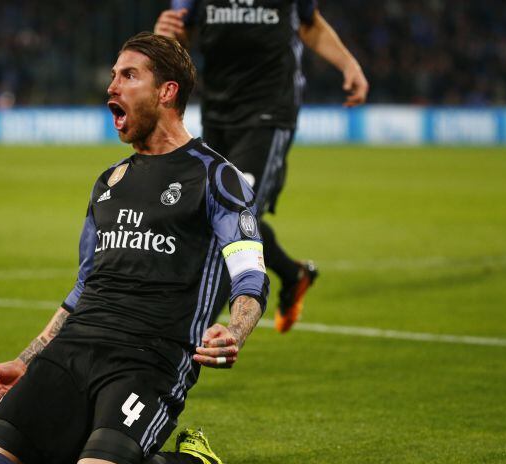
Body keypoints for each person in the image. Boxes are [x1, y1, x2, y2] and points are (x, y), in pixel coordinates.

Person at [0, 32, 269, 464]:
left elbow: (250, 272)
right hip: (75, 351)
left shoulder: (214, 176)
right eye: (112, 76)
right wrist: (27, 360)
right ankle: (78, 438)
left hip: (148, 358)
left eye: (128, 76)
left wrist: (236, 331)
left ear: (167, 92)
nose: (112, 87)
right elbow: (85, 286)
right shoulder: (109, 181)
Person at [155, 0, 369, 332]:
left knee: (231, 214)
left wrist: (349, 65)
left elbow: (308, 24)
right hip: (217, 111)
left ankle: (188, 340)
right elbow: (182, 35)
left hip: (269, 111)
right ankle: (291, 273)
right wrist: (168, 35)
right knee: (217, 212)